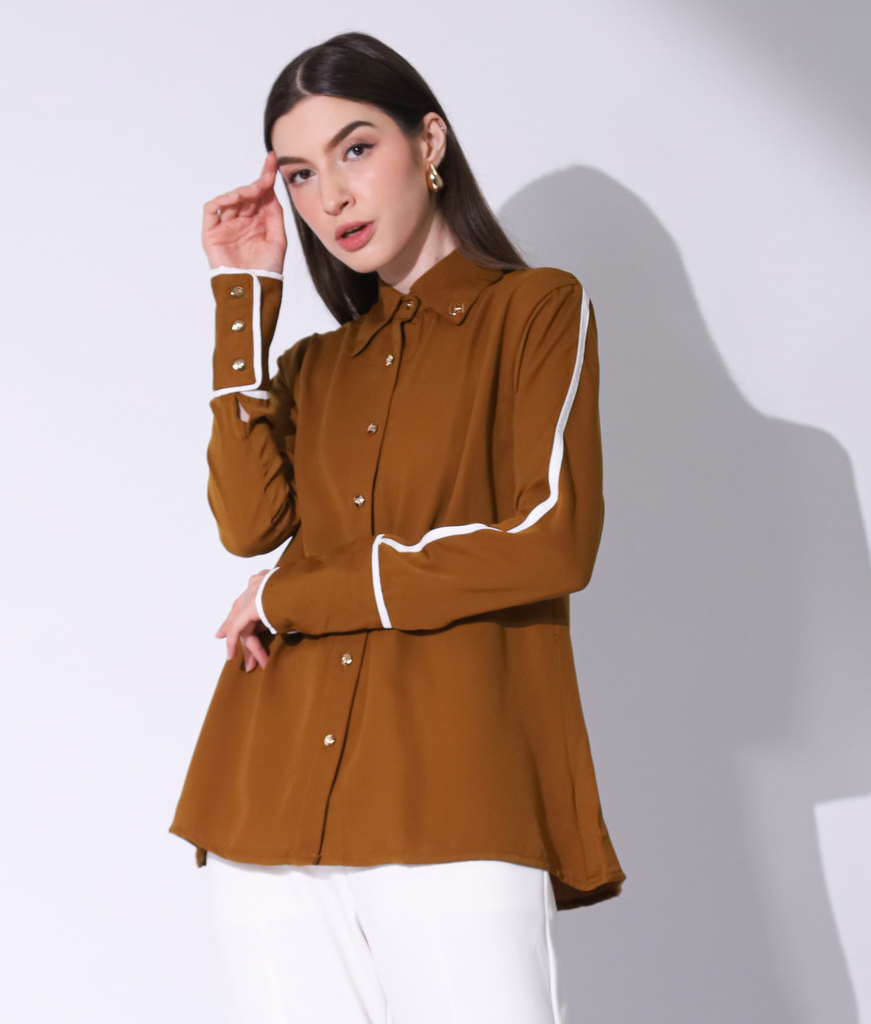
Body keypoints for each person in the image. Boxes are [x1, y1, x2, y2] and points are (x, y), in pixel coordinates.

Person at [170, 31, 624, 1024]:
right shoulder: (316, 369)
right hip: (270, 794)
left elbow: (552, 539)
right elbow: (247, 524)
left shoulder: (537, 310)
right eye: (300, 172)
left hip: (455, 789)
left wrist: (300, 592)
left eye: (355, 149)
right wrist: (242, 296)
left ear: (429, 142)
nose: (331, 195)